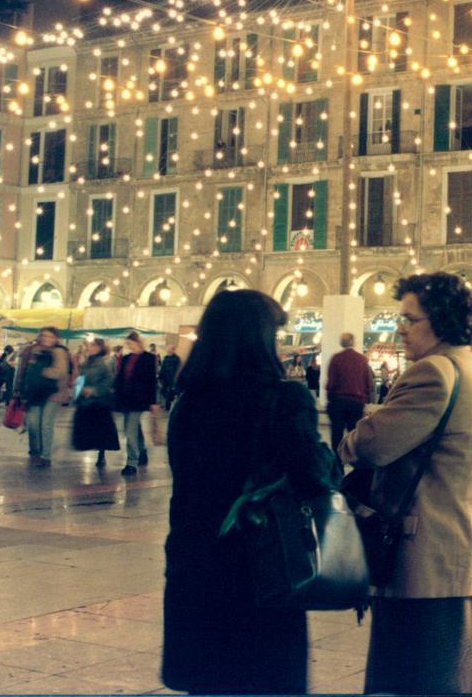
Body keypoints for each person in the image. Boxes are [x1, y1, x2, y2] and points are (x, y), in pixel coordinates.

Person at [162, 290, 336, 695]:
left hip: (195, 565)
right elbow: (315, 477)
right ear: (260, 338)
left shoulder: (187, 404)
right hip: (262, 568)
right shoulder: (283, 398)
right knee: (265, 679)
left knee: (209, 682)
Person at [338, 273, 472, 694]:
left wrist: (356, 432)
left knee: (414, 681)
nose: (401, 329)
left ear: (441, 320)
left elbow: (370, 446)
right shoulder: (469, 365)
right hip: (458, 555)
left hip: (426, 561)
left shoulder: (434, 373)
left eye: (410, 320)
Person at [14, 328, 71, 467]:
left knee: (46, 424)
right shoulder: (33, 351)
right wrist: (19, 388)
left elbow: (61, 372)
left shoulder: (59, 351)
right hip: (35, 392)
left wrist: (42, 371)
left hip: (54, 392)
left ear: (56, 338)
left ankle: (46, 456)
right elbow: (23, 370)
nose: (46, 339)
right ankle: (35, 449)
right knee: (33, 423)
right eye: (44, 336)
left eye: (50, 336)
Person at [114, 331, 159, 477]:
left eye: (131, 343)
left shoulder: (149, 358)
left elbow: (151, 381)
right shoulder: (126, 358)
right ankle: (142, 452)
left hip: (139, 399)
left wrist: (153, 401)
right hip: (125, 399)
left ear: (138, 342)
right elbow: (120, 379)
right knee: (134, 428)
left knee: (130, 430)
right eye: (128, 344)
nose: (129, 346)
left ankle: (131, 462)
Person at [325, 332, 375, 455]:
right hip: (357, 402)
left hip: (339, 402)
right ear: (353, 342)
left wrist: (330, 398)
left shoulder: (336, 358)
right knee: (354, 434)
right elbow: (368, 382)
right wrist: (365, 397)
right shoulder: (362, 359)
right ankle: (354, 459)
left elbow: (331, 383)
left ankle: (338, 461)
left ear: (341, 343)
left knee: (337, 434)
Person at [73, 337, 119, 468]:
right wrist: (77, 394)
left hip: (99, 402)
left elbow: (109, 381)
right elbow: (80, 379)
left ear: (100, 348)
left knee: (101, 430)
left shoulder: (105, 363)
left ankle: (101, 454)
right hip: (86, 401)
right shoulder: (86, 363)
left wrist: (94, 391)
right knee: (90, 428)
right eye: (91, 345)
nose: (91, 348)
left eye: (94, 346)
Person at [158, 345, 182, 411]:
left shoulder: (176, 358)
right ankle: (164, 404)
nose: (168, 350)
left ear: (173, 350)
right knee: (163, 391)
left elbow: (177, 369)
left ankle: (167, 406)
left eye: (170, 349)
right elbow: (163, 367)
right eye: (168, 349)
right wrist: (160, 376)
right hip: (165, 378)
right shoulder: (166, 358)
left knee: (171, 393)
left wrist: (175, 379)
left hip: (172, 378)